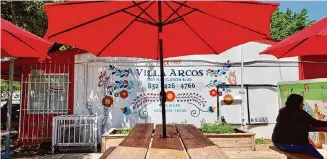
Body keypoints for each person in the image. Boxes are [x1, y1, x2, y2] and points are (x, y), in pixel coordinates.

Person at [272, 94, 327, 159]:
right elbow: (316, 123)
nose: (303, 105)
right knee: (319, 157)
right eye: (302, 103)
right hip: (292, 145)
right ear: (297, 103)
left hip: (278, 143)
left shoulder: (282, 112)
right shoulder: (301, 113)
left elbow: (295, 127)